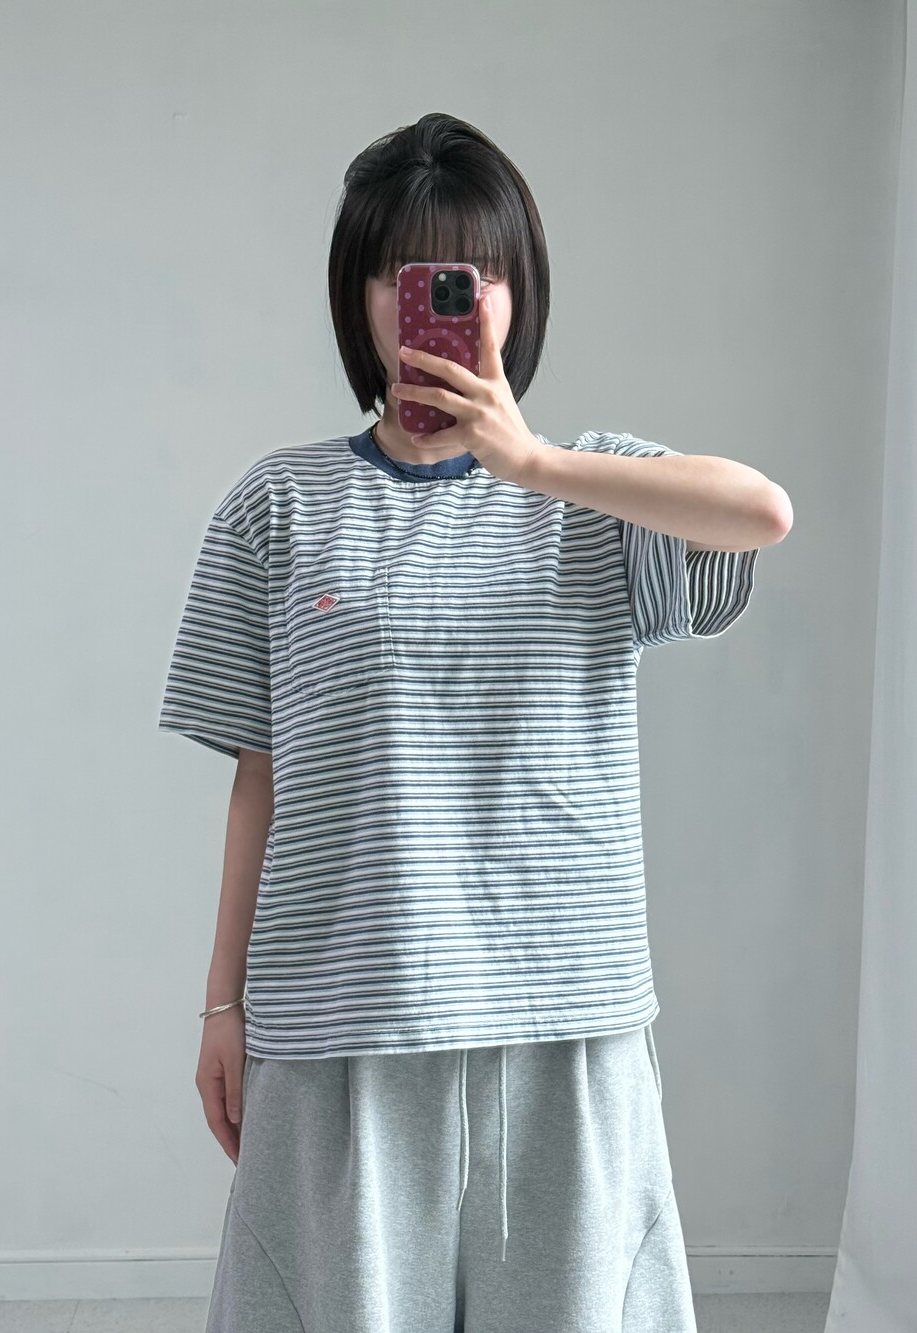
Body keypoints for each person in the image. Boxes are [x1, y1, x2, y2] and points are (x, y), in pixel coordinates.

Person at [159, 112, 774, 1333]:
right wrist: (222, 1008)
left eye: (476, 273)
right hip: (343, 1021)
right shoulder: (279, 505)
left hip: (563, 1018)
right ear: (361, 297)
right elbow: (259, 777)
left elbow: (761, 512)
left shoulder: (595, 492)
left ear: (514, 295)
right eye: (408, 272)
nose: (444, 302)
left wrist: (533, 464)